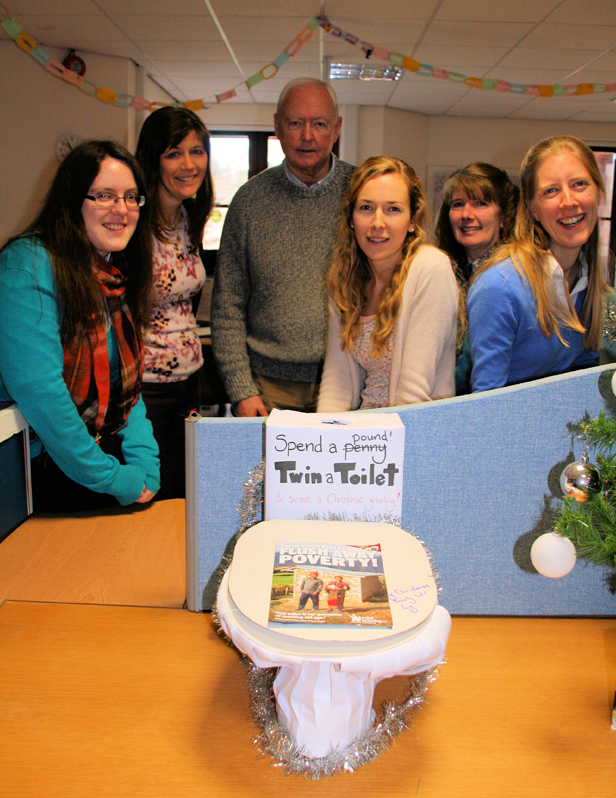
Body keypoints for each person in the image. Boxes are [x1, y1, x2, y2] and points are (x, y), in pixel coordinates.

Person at [0, 140, 159, 511]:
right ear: (73, 200)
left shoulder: (111, 270)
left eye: (131, 197)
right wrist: (114, 478)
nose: (121, 209)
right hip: (41, 470)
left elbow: (125, 386)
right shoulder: (27, 264)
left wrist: (144, 461)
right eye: (104, 195)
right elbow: (43, 394)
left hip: (98, 460)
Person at [211, 77, 354, 416]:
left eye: (319, 124)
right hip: (268, 388)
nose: (308, 135)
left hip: (348, 379)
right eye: (295, 123)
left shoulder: (362, 193)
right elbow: (227, 307)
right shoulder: (248, 202)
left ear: (336, 128)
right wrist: (241, 390)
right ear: (277, 126)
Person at [467, 136, 610, 392]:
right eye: (551, 191)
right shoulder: (500, 286)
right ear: (533, 208)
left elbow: (585, 376)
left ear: (599, 193)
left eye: (579, 184)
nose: (569, 201)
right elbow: (486, 403)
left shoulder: (589, 280)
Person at [317, 155, 458, 412]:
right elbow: (336, 384)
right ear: (351, 217)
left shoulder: (430, 268)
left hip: (410, 434)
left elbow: (413, 394)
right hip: (361, 434)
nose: (377, 223)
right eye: (366, 208)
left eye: (393, 209)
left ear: (413, 220)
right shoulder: (345, 278)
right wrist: (324, 441)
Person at [135, 107, 214, 496]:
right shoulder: (131, 222)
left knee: (184, 495)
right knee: (151, 494)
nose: (188, 164)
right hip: (144, 389)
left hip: (189, 381)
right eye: (173, 153)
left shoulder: (188, 216)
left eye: (197, 151)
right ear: (153, 159)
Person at [434, 163, 519, 394]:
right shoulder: (446, 273)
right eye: (458, 204)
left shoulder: (507, 279)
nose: (466, 215)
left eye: (481, 203)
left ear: (503, 216)